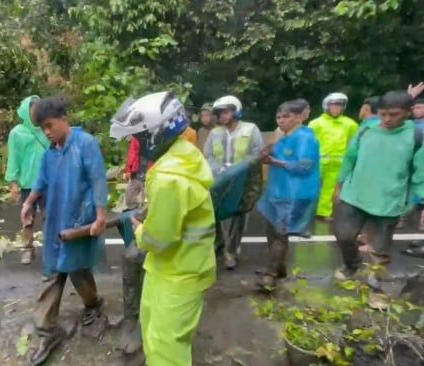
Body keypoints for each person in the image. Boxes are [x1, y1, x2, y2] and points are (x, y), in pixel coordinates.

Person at [110, 91, 217, 366]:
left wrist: (138, 229)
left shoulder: (169, 177)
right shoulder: (184, 153)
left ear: (154, 134)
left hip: (180, 272)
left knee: (165, 347)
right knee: (152, 329)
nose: (136, 142)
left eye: (138, 136)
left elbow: (159, 239)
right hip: (171, 267)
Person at [20, 97, 108, 366]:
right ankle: (48, 330)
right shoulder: (50, 153)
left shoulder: (86, 144)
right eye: (42, 128)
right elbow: (41, 182)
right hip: (55, 221)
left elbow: (98, 180)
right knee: (52, 273)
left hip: (80, 221)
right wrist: (29, 201)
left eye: (50, 125)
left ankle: (93, 305)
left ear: (64, 119)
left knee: (79, 271)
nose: (47, 131)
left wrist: (101, 216)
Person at [333, 91, 424, 282]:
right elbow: (350, 157)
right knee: (344, 236)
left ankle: (377, 283)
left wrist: (416, 201)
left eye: (394, 114)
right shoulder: (367, 129)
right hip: (355, 194)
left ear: (408, 112)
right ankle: (352, 264)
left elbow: (420, 174)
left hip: (389, 201)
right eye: (383, 114)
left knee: (380, 248)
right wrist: (339, 184)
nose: (387, 119)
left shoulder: (416, 136)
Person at [257, 101, 320, 290]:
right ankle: (279, 268)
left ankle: (271, 273)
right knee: (270, 230)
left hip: (294, 194)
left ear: (298, 117)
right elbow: (267, 154)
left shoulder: (305, 138)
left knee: (280, 233)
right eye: (279, 117)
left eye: (286, 117)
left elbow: (303, 167)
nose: (281, 120)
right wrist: (269, 149)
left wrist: (274, 161)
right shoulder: (282, 137)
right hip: (277, 191)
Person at [203, 95, 264, 269]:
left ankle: (232, 251)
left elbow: (256, 154)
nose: (223, 116)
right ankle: (219, 245)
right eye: (220, 113)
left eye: (226, 111)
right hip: (220, 180)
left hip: (242, 180)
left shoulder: (250, 129)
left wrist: (241, 170)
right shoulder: (215, 133)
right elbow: (208, 155)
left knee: (239, 216)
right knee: (215, 214)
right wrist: (218, 170)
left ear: (236, 110)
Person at [5, 95, 49, 266]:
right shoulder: (17, 133)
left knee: (49, 216)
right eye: (33, 110)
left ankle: (50, 250)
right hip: (27, 183)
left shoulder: (47, 129)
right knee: (27, 218)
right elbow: (13, 159)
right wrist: (13, 182)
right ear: (26, 111)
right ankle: (27, 249)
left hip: (48, 182)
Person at [308, 92, 358, 221]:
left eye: (339, 105)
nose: (336, 108)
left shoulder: (350, 124)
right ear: (327, 106)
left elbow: (355, 143)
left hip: (338, 163)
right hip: (317, 161)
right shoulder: (316, 123)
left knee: (329, 189)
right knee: (309, 187)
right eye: (334, 105)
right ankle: (304, 213)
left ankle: (323, 212)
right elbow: (307, 142)